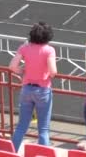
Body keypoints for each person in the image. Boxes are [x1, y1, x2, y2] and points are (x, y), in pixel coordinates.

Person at [10, 22, 57, 150]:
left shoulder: (24, 48)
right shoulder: (49, 50)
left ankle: (11, 152)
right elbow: (53, 72)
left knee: (21, 127)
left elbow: (12, 67)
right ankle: (44, 153)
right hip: (43, 90)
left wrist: (23, 71)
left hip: (26, 88)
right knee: (43, 130)